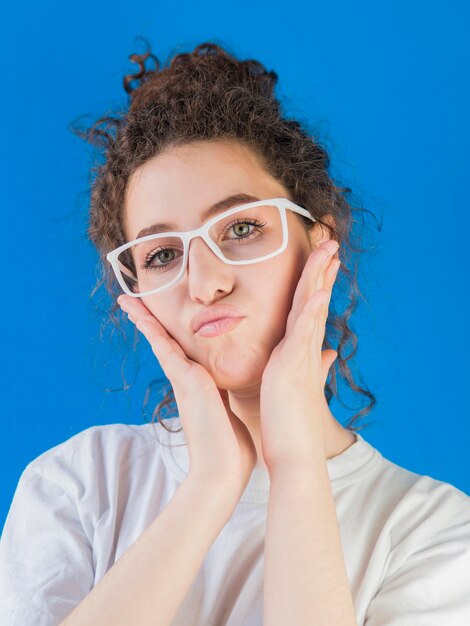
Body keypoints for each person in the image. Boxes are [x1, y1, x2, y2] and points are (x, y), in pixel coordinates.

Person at [1, 38, 469, 626]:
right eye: (162, 255)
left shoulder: (433, 532)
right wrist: (210, 486)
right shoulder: (78, 485)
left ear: (319, 243)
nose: (205, 283)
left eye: (241, 226)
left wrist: (296, 464)